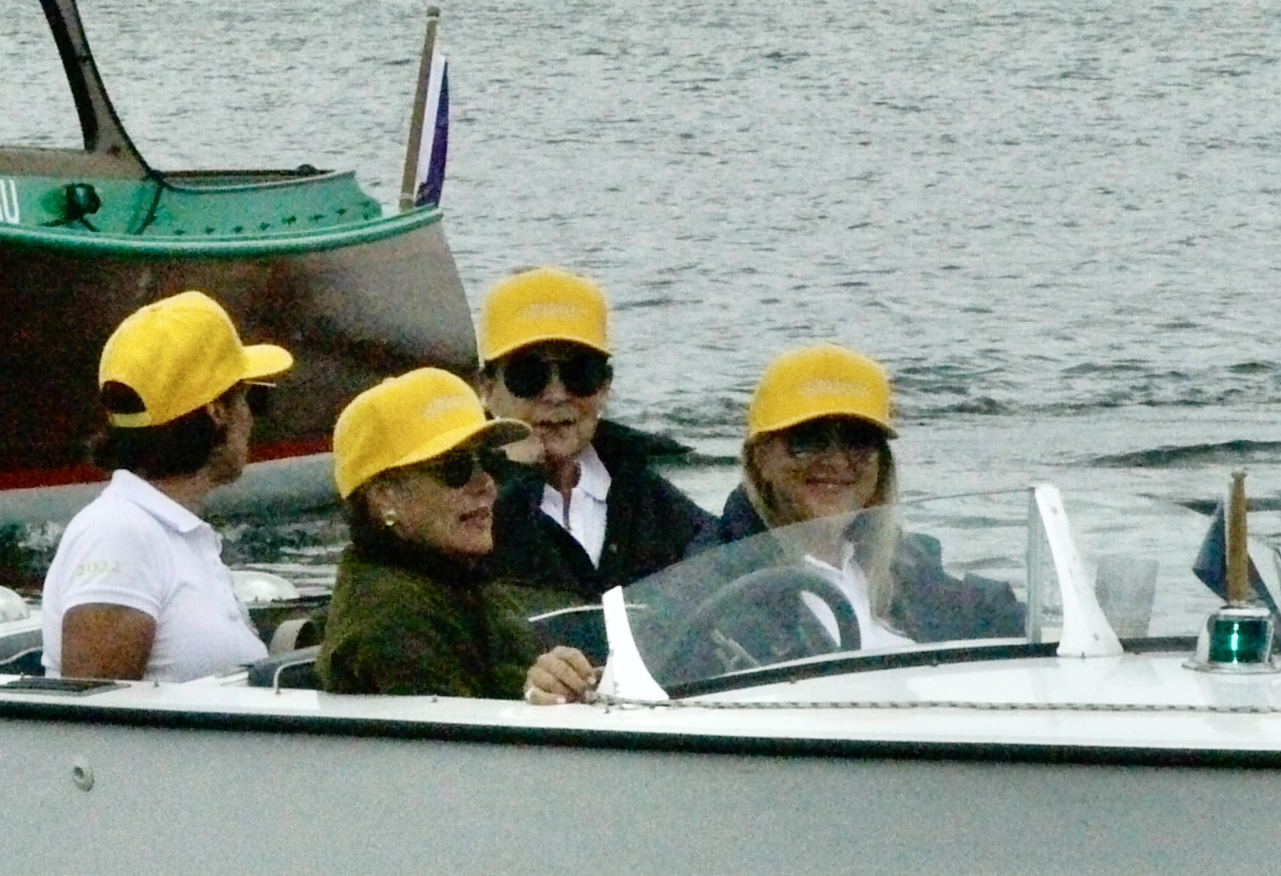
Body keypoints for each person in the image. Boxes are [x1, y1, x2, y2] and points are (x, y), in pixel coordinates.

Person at [682, 344, 1021, 662]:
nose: (837, 461)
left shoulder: (908, 567)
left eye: (859, 441)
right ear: (761, 459)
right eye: (808, 441)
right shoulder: (712, 587)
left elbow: (998, 617)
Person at [44, 291, 293, 683]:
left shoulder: (161, 532)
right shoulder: (121, 533)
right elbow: (94, 713)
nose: (252, 418)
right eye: (253, 398)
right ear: (217, 412)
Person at [317, 369, 601, 704]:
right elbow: (450, 733)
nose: (485, 484)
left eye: (488, 462)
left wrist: (557, 682)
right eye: (456, 468)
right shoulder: (391, 619)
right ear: (386, 499)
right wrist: (532, 699)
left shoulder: (460, 584)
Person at [473, 267, 712, 609]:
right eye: (528, 375)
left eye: (580, 373)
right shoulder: (458, 498)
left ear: (605, 386)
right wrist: (514, 477)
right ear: (487, 389)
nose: (557, 395)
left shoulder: (644, 491)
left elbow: (723, 556)